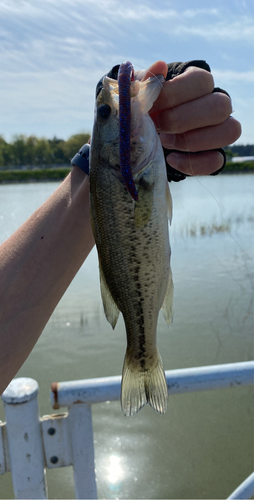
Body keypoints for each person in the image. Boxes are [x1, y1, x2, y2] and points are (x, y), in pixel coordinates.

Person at [0, 60, 241, 395]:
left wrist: (130, 145)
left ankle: (142, 349)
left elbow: (114, 194)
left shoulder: (122, 158)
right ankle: (143, 355)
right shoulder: (123, 160)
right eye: (104, 114)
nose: (108, 109)